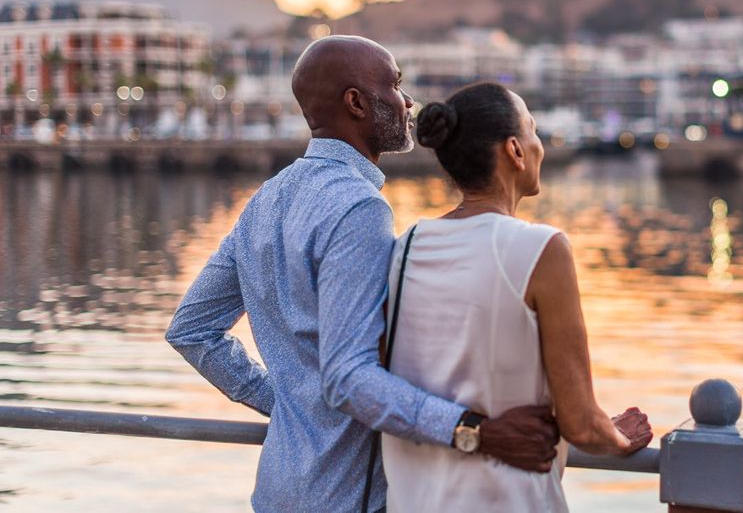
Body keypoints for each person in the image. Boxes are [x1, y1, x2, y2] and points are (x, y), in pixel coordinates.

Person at [165, 37, 559, 513]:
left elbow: (191, 330)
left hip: (277, 492)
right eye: (394, 85)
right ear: (356, 102)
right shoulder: (358, 208)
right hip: (344, 499)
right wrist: (475, 430)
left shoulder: (267, 198)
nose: (408, 101)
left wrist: (290, 405)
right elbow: (349, 377)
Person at [381, 82, 654, 512]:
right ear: (515, 151)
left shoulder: (406, 246)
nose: (540, 145)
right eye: (534, 131)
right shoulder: (542, 249)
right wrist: (620, 437)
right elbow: (581, 425)